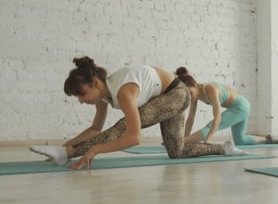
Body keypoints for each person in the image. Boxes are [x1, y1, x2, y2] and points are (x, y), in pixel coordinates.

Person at [29, 57, 245, 169]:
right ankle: (224, 148)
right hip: (168, 98)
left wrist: (94, 150)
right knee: (177, 152)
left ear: (95, 82)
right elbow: (95, 129)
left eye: (82, 94)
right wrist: (67, 146)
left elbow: (133, 137)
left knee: (122, 127)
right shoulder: (104, 96)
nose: (82, 100)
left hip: (177, 93)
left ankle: (63, 155)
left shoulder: (124, 91)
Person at [175, 67, 278, 146]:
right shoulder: (195, 96)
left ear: (193, 84)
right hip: (238, 107)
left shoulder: (210, 89)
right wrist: (185, 139)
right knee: (240, 140)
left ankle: (179, 142)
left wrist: (206, 141)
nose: (188, 97)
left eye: (189, 92)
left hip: (241, 106)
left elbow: (217, 119)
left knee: (210, 126)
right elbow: (190, 119)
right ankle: (267, 139)